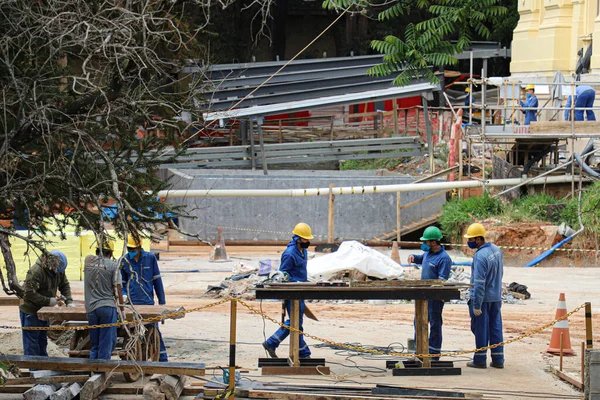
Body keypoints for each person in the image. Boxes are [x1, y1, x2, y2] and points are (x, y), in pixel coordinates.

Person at [263, 223, 314, 359]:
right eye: (305, 239)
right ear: (298, 238)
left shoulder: (303, 251)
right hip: (292, 291)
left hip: (301, 290)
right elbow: (283, 274)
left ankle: (272, 343)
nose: (308, 241)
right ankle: (303, 353)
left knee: (296, 322)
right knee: (295, 323)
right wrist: (294, 282)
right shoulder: (289, 254)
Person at [407, 226, 452, 360]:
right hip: (423, 296)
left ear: (433, 242)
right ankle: (419, 350)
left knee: (435, 324)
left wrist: (434, 291)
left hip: (434, 297)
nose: (424, 244)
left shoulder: (444, 259)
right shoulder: (428, 253)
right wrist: (413, 257)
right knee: (419, 322)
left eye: (426, 242)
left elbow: (442, 280)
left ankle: (434, 353)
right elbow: (422, 259)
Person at [121, 236, 168, 362]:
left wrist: (162, 302)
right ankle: (136, 359)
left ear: (139, 248)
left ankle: (163, 360)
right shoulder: (124, 260)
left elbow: (157, 280)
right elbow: (121, 283)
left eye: (133, 249)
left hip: (148, 303)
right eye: (129, 249)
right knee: (132, 333)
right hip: (132, 304)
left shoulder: (150, 258)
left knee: (154, 332)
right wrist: (124, 295)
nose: (131, 251)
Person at [464, 223, 504, 369]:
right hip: (496, 297)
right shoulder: (496, 250)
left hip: (484, 299)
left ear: (479, 239)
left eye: (471, 239)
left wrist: (476, 304)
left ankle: (480, 360)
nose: (469, 242)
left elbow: (479, 283)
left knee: (481, 329)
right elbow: (500, 273)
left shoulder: (480, 256)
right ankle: (498, 360)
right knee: (496, 327)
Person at [19, 250, 73, 357]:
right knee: (32, 343)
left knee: (42, 340)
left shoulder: (58, 270)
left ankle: (43, 366)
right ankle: (33, 369)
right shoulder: (36, 271)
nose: (58, 273)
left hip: (44, 312)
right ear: (50, 264)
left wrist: (69, 301)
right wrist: (48, 301)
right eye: (57, 270)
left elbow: (64, 285)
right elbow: (29, 293)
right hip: (31, 311)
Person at [84, 239, 124, 360]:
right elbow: (118, 290)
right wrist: (122, 310)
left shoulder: (88, 264)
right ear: (110, 253)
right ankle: (102, 370)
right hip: (107, 307)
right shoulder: (113, 266)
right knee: (106, 343)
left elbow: (89, 257)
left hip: (91, 308)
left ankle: (93, 368)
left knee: (94, 342)